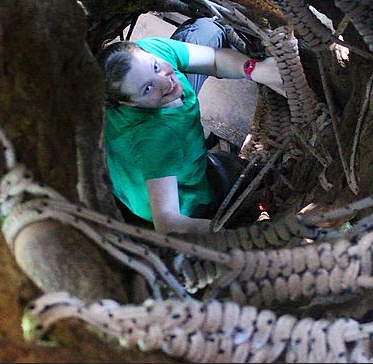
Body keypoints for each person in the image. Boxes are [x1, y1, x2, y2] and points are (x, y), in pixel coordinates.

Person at [98, 18, 285, 234]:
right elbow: (167, 222)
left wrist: (255, 69)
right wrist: (225, 237)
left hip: (151, 167)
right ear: (128, 103)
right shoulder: (155, 140)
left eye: (156, 67)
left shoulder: (149, 53)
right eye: (147, 88)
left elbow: (214, 59)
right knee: (247, 177)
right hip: (179, 199)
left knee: (206, 30)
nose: (165, 82)